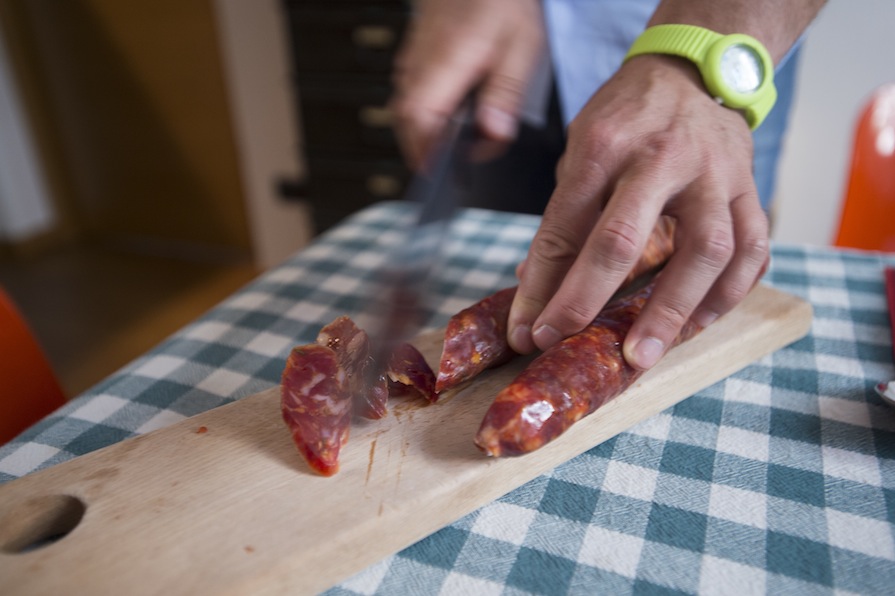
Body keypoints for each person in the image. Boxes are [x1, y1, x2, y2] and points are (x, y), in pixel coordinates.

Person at [389, 0, 826, 370]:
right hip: (518, 43)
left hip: (733, 48)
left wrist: (699, 52)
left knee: (705, 254)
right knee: (534, 263)